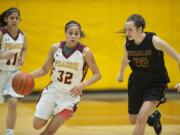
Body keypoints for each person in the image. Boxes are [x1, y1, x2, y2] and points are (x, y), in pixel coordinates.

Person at [30, 20, 101, 135]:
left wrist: (83, 85)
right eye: (70, 33)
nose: (73, 36)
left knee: (49, 131)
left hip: (70, 96)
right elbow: (44, 70)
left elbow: (98, 74)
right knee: (36, 125)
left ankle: (59, 112)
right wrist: (27, 76)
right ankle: (53, 109)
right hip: (53, 91)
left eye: (76, 33)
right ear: (65, 33)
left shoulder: (85, 52)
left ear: (79, 35)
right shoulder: (55, 48)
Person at [117, 14, 180, 135]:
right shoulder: (127, 44)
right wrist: (121, 73)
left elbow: (178, 57)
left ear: (140, 29)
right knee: (133, 120)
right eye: (126, 30)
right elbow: (125, 59)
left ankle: (147, 117)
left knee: (141, 118)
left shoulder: (154, 41)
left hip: (155, 83)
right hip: (137, 82)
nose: (127, 33)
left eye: (130, 30)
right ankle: (153, 118)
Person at [0, 7, 27, 135]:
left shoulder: (23, 35)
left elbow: (24, 48)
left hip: (14, 73)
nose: (14, 20)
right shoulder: (1, 33)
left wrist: (22, 58)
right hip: (0, 71)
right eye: (12, 18)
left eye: (17, 18)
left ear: (20, 20)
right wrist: (2, 56)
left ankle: (9, 133)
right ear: (6, 19)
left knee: (13, 102)